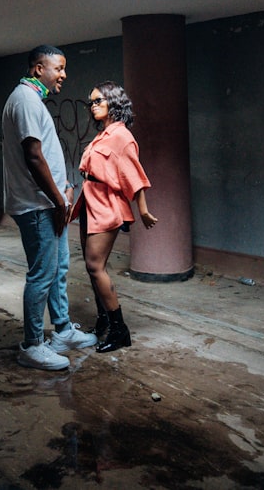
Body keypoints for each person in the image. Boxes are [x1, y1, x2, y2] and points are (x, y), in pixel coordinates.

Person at [2, 45, 97, 371]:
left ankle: (62, 331)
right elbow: (33, 156)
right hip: (38, 206)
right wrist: (58, 200)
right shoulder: (26, 99)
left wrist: (63, 191)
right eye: (59, 68)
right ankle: (32, 345)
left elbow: (45, 154)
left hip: (48, 203)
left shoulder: (32, 99)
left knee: (57, 271)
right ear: (38, 68)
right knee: (41, 276)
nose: (64, 75)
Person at [72, 81, 157, 353]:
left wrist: (142, 209)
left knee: (96, 266)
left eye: (99, 100)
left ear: (114, 102)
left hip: (107, 204)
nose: (93, 105)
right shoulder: (104, 134)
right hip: (90, 200)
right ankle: (104, 322)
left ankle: (120, 331)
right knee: (90, 267)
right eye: (91, 102)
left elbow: (134, 174)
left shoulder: (122, 136)